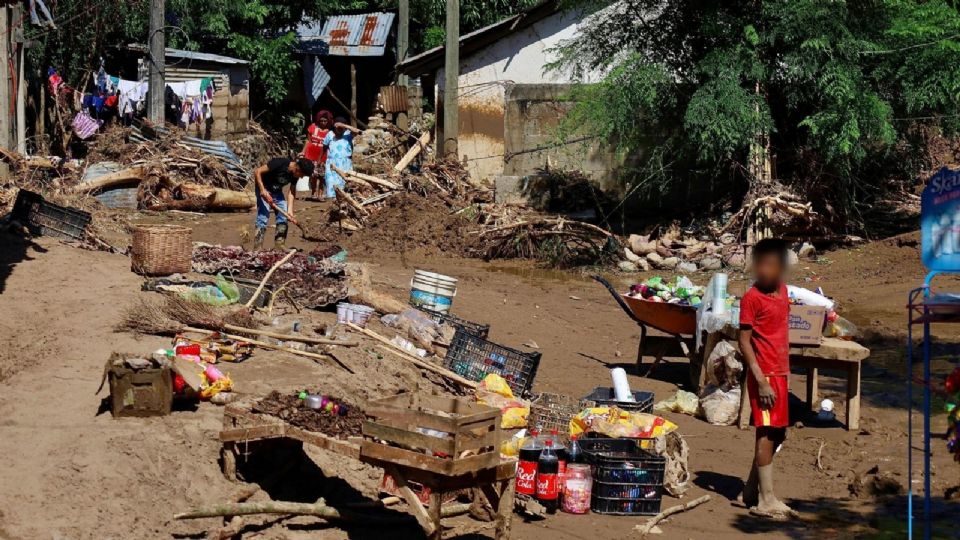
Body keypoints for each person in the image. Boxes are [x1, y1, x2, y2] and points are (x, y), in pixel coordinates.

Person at [737, 238, 797, 520]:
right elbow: (745, 342)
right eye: (761, 264)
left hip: (780, 372)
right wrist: (760, 379)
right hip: (765, 374)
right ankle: (766, 499)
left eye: (772, 265)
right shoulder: (751, 298)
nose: (765, 271)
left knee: (777, 431)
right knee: (766, 431)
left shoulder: (783, 292)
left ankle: (751, 490)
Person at [253, 157, 313, 250]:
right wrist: (262, 190)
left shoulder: (294, 175)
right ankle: (257, 247)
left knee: (283, 215)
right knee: (263, 215)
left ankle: (279, 245)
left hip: (277, 192)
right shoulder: (280, 163)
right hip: (264, 188)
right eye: (302, 175)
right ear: (297, 168)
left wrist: (290, 210)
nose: (301, 177)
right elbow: (258, 171)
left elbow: (292, 192)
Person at [322, 117, 361, 199]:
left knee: (345, 185)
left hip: (345, 164)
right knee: (331, 183)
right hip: (332, 164)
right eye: (337, 128)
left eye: (341, 128)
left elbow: (359, 132)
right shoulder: (330, 134)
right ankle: (333, 203)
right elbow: (324, 148)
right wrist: (319, 161)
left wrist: (344, 126)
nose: (339, 129)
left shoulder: (348, 134)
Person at [301, 110, 333, 200]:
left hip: (324, 156)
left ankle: (321, 193)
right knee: (313, 175)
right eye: (321, 120)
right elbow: (308, 141)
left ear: (328, 121)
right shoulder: (312, 127)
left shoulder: (330, 132)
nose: (323, 122)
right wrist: (303, 152)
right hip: (311, 155)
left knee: (322, 176)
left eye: (325, 121)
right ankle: (313, 192)